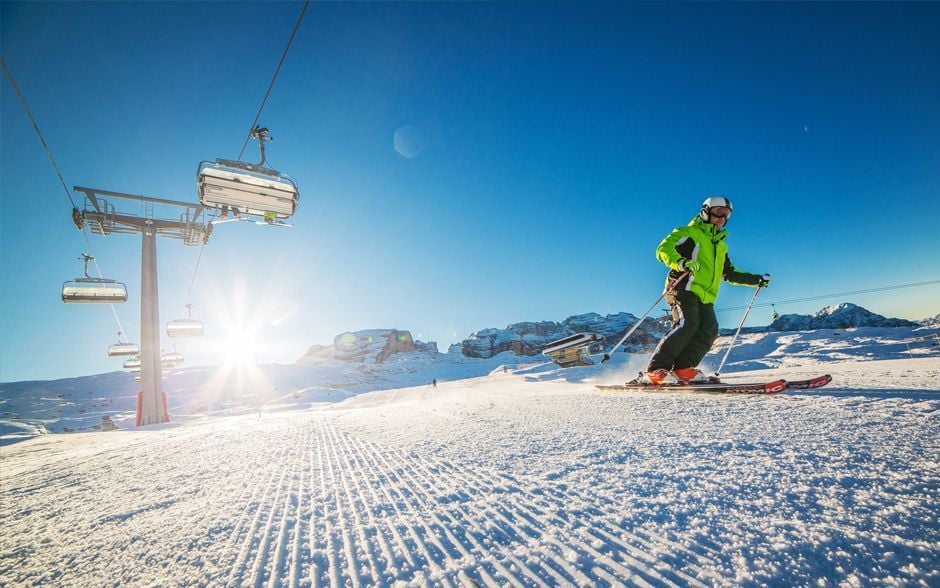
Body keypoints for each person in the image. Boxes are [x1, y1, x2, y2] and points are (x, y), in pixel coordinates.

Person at [640, 196, 770, 384]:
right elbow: (663, 249)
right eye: (718, 212)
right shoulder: (689, 232)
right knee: (688, 324)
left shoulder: (720, 245)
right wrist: (680, 262)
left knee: (709, 329)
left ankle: (683, 369)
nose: (722, 218)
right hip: (683, 286)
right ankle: (655, 370)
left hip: (705, 295)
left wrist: (755, 280)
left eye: (726, 215)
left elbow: (729, 274)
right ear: (705, 211)